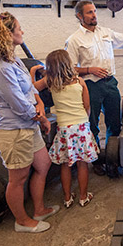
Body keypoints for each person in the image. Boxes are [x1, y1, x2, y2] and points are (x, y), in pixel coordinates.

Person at [0, 12, 60, 233]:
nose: (22, 31)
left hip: (29, 125)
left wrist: (40, 105)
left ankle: (39, 209)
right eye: (19, 28)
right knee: (18, 179)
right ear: (7, 33)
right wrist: (42, 117)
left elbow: (30, 88)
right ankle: (22, 221)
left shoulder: (13, 60)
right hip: (13, 130)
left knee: (44, 164)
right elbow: (19, 105)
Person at [65, 1, 123, 175]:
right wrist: (90, 70)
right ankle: (97, 159)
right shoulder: (74, 40)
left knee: (115, 121)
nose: (94, 15)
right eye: (89, 13)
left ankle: (113, 157)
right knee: (93, 124)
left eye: (94, 12)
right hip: (90, 86)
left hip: (110, 83)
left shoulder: (105, 33)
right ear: (79, 16)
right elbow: (69, 69)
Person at [33, 49, 99, 208]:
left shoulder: (50, 81)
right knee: (82, 163)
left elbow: (31, 89)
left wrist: (32, 71)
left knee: (66, 164)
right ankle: (83, 197)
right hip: (81, 126)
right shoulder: (79, 82)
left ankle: (67, 198)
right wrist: (85, 120)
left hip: (64, 129)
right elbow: (87, 106)